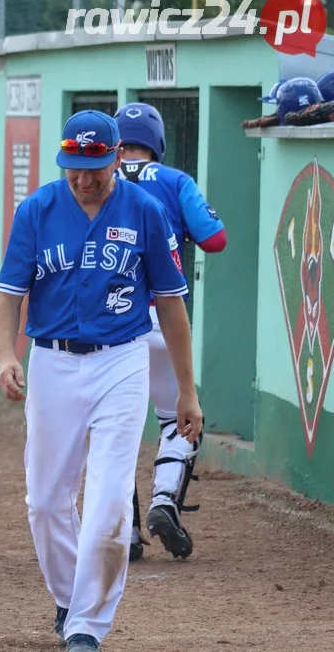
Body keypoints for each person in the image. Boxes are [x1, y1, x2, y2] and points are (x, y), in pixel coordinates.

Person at [0, 110, 203, 651]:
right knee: (44, 501)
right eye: (73, 169)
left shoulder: (146, 211)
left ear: (116, 158)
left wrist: (186, 389)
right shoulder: (38, 209)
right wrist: (3, 356)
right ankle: (69, 597)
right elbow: (8, 298)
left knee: (109, 500)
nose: (84, 179)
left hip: (121, 360)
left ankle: (88, 625)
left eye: (95, 168)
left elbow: (172, 307)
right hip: (52, 361)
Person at [112, 103, 227, 562]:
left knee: (114, 427)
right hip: (165, 318)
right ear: (157, 140)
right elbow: (215, 239)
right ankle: (164, 500)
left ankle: (127, 531)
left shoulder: (98, 177)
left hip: (115, 322)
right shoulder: (175, 180)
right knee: (177, 417)